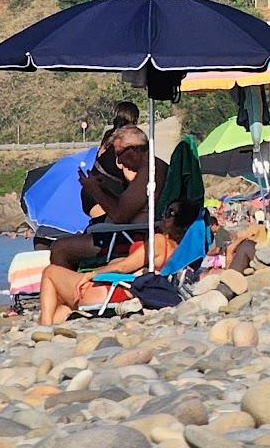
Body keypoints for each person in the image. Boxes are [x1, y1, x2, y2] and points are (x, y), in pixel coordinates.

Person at [50, 125, 169, 269]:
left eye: (119, 154)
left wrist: (94, 190)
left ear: (134, 149)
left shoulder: (149, 171)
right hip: (125, 233)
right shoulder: (150, 168)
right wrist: (104, 189)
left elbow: (120, 216)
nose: (119, 162)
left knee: (59, 248)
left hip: (127, 237)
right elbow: (126, 206)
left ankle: (72, 289)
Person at [38, 211, 189, 325]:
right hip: (122, 289)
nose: (163, 215)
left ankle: (44, 326)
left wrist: (92, 273)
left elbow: (124, 267)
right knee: (62, 303)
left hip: (109, 291)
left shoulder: (159, 241)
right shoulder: (181, 249)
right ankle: (46, 335)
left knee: (50, 272)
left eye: (169, 213)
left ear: (179, 222)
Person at [81, 101, 141, 222]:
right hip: (106, 195)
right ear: (134, 119)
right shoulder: (126, 141)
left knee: (100, 227)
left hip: (91, 191)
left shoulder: (109, 135)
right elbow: (130, 176)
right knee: (109, 231)